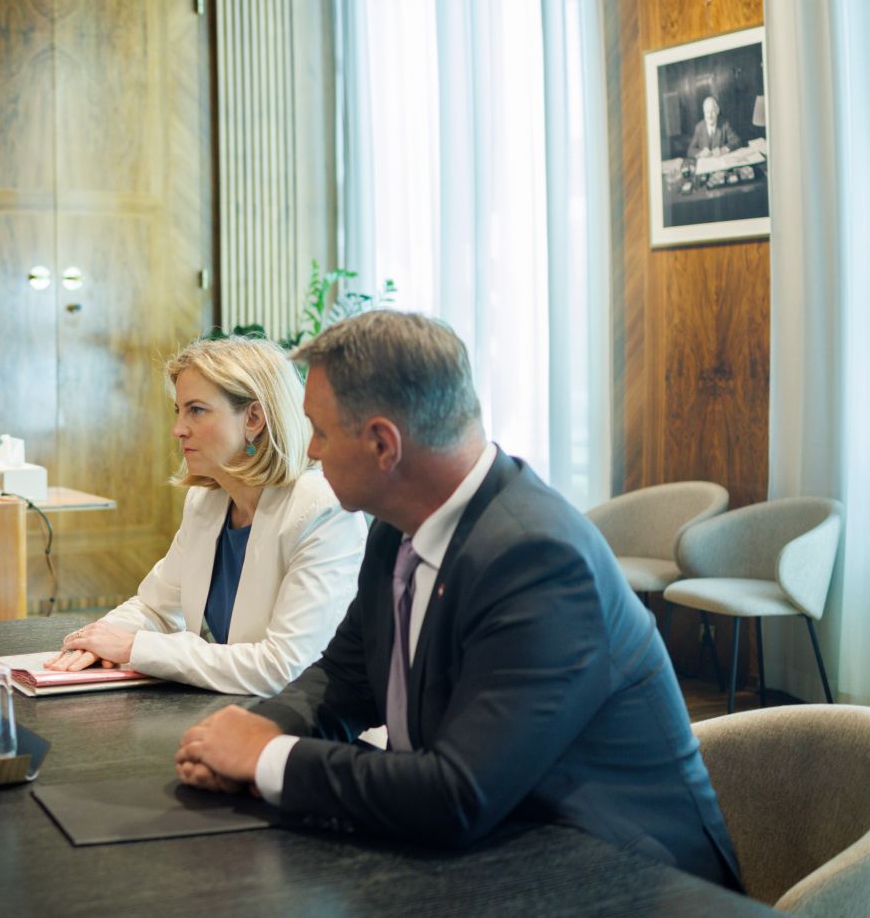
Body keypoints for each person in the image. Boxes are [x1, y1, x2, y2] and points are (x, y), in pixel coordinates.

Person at [174, 311, 741, 888]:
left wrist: (268, 759)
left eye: (319, 430)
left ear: (382, 444)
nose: (311, 451)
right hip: (502, 851)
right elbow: (344, 680)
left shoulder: (540, 560)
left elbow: (456, 794)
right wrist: (257, 732)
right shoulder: (397, 528)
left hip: (627, 878)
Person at [46, 336, 364, 694]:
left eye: (196, 410)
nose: (178, 429)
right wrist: (95, 640)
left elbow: (285, 667)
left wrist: (134, 647)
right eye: (178, 411)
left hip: (304, 729)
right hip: (233, 712)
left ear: (254, 418)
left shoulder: (321, 507)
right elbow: (155, 608)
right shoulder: (206, 501)